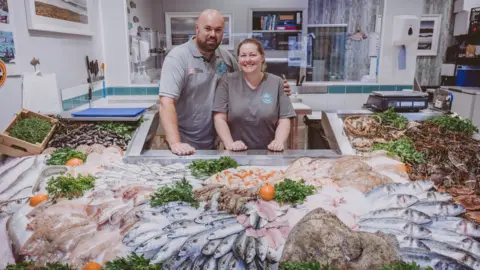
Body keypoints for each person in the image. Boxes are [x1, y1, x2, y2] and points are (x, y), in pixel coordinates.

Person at [159, 9, 291, 156]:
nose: (213, 34)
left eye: (218, 30)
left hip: (214, 140)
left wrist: (278, 88)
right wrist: (175, 143)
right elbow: (166, 102)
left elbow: (245, 77)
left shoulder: (225, 57)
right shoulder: (178, 58)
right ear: (197, 28)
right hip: (185, 142)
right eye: (207, 28)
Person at [212, 38, 296, 152]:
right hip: (235, 152)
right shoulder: (227, 81)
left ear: (262, 57)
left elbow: (284, 118)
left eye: (252, 55)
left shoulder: (277, 83)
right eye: (243, 55)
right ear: (238, 59)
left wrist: (278, 141)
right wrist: (230, 144)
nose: (248, 59)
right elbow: (219, 118)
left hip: (270, 153)